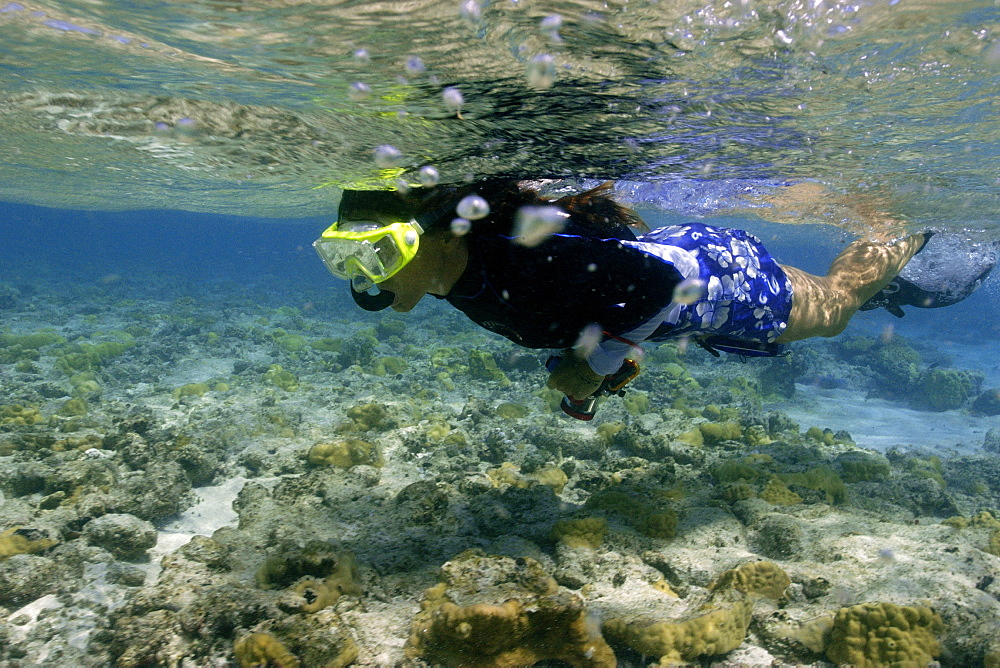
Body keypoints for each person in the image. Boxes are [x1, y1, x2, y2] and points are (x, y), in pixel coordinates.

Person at [313, 179, 983, 400]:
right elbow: (580, 311)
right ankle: (894, 272)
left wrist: (593, 363)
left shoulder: (520, 260)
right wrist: (594, 358)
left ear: (443, 236)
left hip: (705, 279)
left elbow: (667, 282)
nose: (366, 276)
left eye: (380, 253)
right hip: (681, 274)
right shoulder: (455, 276)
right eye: (347, 260)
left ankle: (904, 234)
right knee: (826, 298)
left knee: (834, 310)